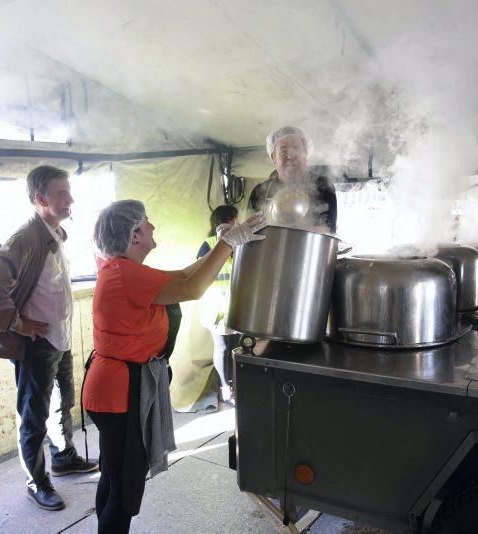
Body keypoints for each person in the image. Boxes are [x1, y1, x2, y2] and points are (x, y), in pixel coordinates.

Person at [83, 200, 265, 533]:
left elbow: (185, 275)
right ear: (134, 234)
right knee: (124, 490)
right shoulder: (124, 274)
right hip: (119, 392)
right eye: (147, 222)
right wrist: (228, 243)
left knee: (114, 476)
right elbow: (192, 289)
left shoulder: (124, 270)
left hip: (112, 387)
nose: (153, 227)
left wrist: (221, 244)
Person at [0, 165, 98, 512]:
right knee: (33, 415)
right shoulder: (26, 238)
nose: (70, 199)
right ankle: (37, 482)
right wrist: (18, 323)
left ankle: (63, 457)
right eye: (62, 193)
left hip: (59, 338)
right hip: (38, 344)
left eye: (69, 192)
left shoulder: (53, 233)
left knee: (63, 404)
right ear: (40, 198)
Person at [248, 125, 338, 233]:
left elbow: (327, 231)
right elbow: (250, 232)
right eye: (283, 152)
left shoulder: (323, 186)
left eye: (295, 149)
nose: (290, 156)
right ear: (274, 157)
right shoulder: (259, 192)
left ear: (305, 153)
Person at [196, 205, 240, 403]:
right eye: (236, 220)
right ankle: (225, 388)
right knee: (222, 348)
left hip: (238, 306)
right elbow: (199, 272)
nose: (238, 224)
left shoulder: (241, 243)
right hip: (216, 308)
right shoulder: (209, 244)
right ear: (228, 221)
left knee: (238, 348)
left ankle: (239, 386)